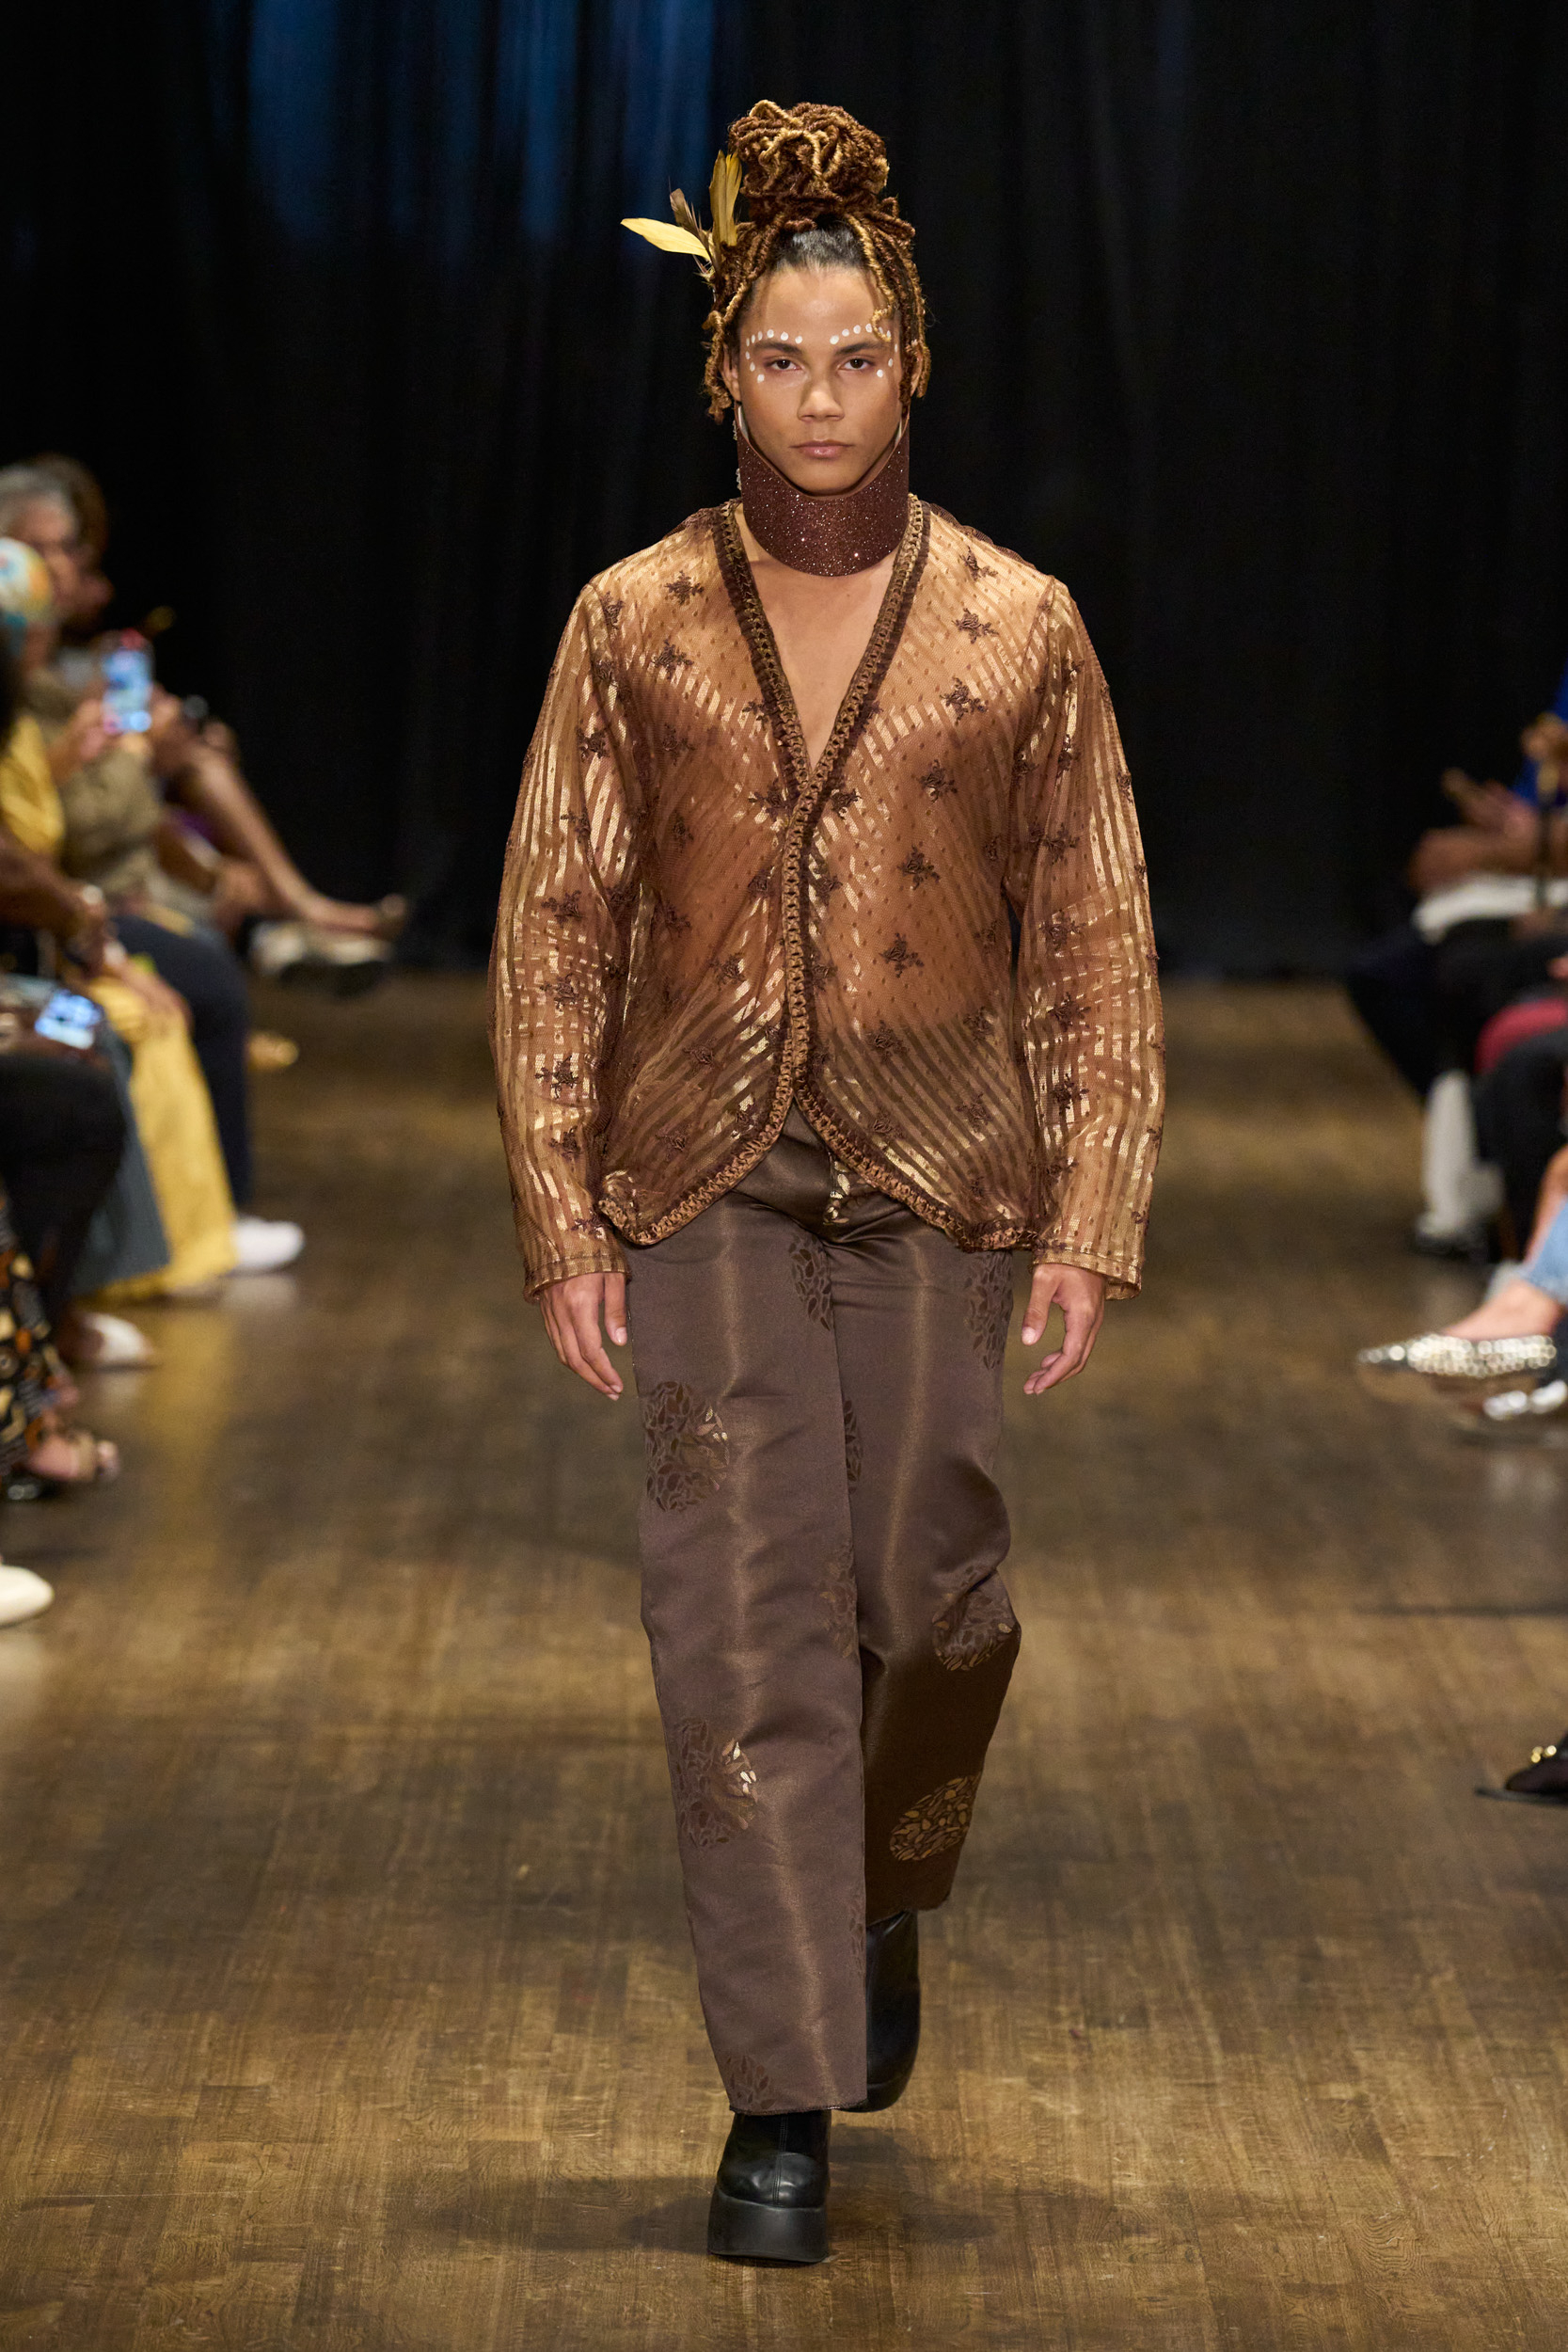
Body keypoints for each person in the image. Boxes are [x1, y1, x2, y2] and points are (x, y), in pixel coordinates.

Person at [490, 102, 1163, 2265]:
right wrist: (560, 1202)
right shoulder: (632, 620)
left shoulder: (1020, 621)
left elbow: (1093, 922)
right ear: (727, 370)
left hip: (948, 1159)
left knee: (926, 1585)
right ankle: (776, 2089)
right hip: (705, 1163)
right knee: (738, 1612)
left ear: (913, 364)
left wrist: (1093, 1200)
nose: (819, 396)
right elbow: (556, 919)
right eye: (780, 357)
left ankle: (877, 1882)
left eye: (856, 356)